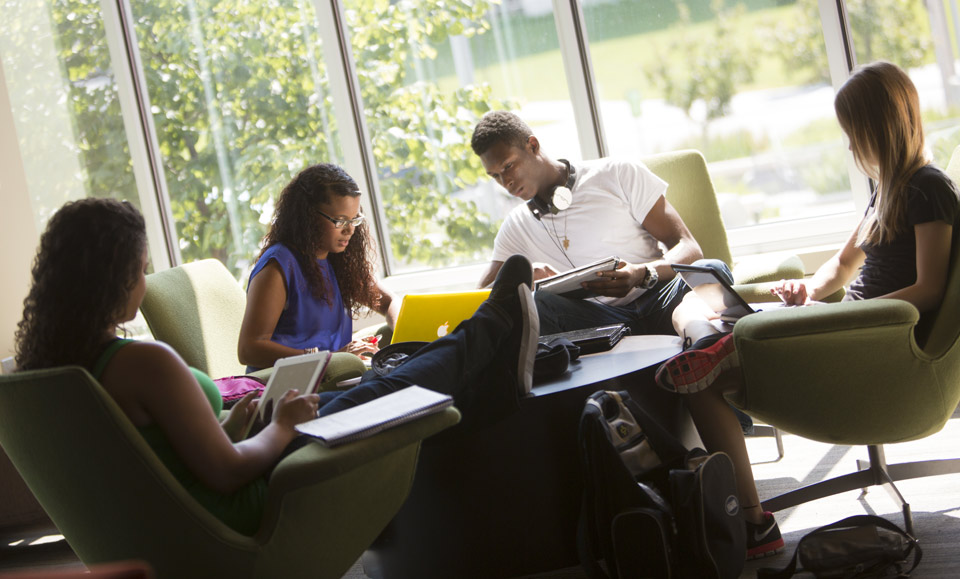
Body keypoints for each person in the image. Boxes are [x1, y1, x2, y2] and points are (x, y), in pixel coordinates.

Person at [15, 197, 539, 536]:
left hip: (195, 495)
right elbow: (224, 473)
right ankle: (493, 324)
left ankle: (490, 355)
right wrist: (281, 427)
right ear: (114, 277)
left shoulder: (47, 372)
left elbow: (153, 450)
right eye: (140, 269)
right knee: (395, 388)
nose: (145, 280)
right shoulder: (142, 363)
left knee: (380, 381)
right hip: (245, 494)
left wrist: (235, 422)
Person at [654, 61, 959, 559]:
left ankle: (754, 522)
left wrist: (847, 318)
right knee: (694, 297)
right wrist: (808, 294)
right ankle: (717, 342)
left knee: (704, 384)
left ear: (876, 128)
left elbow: (929, 289)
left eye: (852, 133)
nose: (849, 145)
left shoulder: (929, 189)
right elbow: (840, 267)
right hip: (848, 325)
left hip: (875, 340)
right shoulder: (888, 191)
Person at [470, 110, 726, 338]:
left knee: (712, 269)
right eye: (495, 176)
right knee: (540, 305)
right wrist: (521, 277)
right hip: (601, 324)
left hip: (660, 298)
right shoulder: (516, 226)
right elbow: (480, 297)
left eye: (508, 166)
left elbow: (688, 247)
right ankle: (698, 338)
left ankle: (696, 334)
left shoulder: (617, 173)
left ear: (533, 146)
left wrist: (641, 273)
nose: (506, 183)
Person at [237, 163, 398, 372]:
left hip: (333, 374)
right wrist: (327, 358)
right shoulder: (278, 266)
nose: (350, 230)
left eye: (354, 219)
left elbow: (390, 301)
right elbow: (249, 349)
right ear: (308, 217)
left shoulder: (338, 260)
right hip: (292, 385)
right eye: (340, 221)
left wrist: (402, 331)